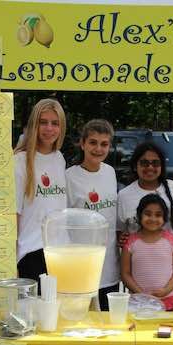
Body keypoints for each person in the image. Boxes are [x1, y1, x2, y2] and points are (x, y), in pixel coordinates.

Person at [66, 119, 119, 310]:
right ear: (83, 144)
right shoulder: (69, 176)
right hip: (82, 264)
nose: (98, 149)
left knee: (106, 322)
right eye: (93, 143)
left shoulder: (110, 172)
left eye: (104, 144)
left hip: (110, 265)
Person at [14, 98, 67, 283]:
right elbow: (15, 214)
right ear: (34, 125)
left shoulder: (59, 158)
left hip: (60, 251)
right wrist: (11, 259)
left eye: (55, 123)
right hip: (32, 252)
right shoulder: (19, 161)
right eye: (43, 122)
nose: (49, 128)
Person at [121, 194, 173, 311]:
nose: (153, 219)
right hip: (138, 303)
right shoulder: (130, 242)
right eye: (148, 214)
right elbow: (125, 273)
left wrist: (166, 289)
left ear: (165, 218)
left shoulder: (172, 240)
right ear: (139, 215)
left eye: (158, 215)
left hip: (168, 301)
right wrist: (141, 294)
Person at [117, 141, 173, 238]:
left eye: (155, 163)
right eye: (144, 163)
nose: (150, 167)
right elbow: (119, 231)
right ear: (135, 166)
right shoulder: (124, 195)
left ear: (162, 166)